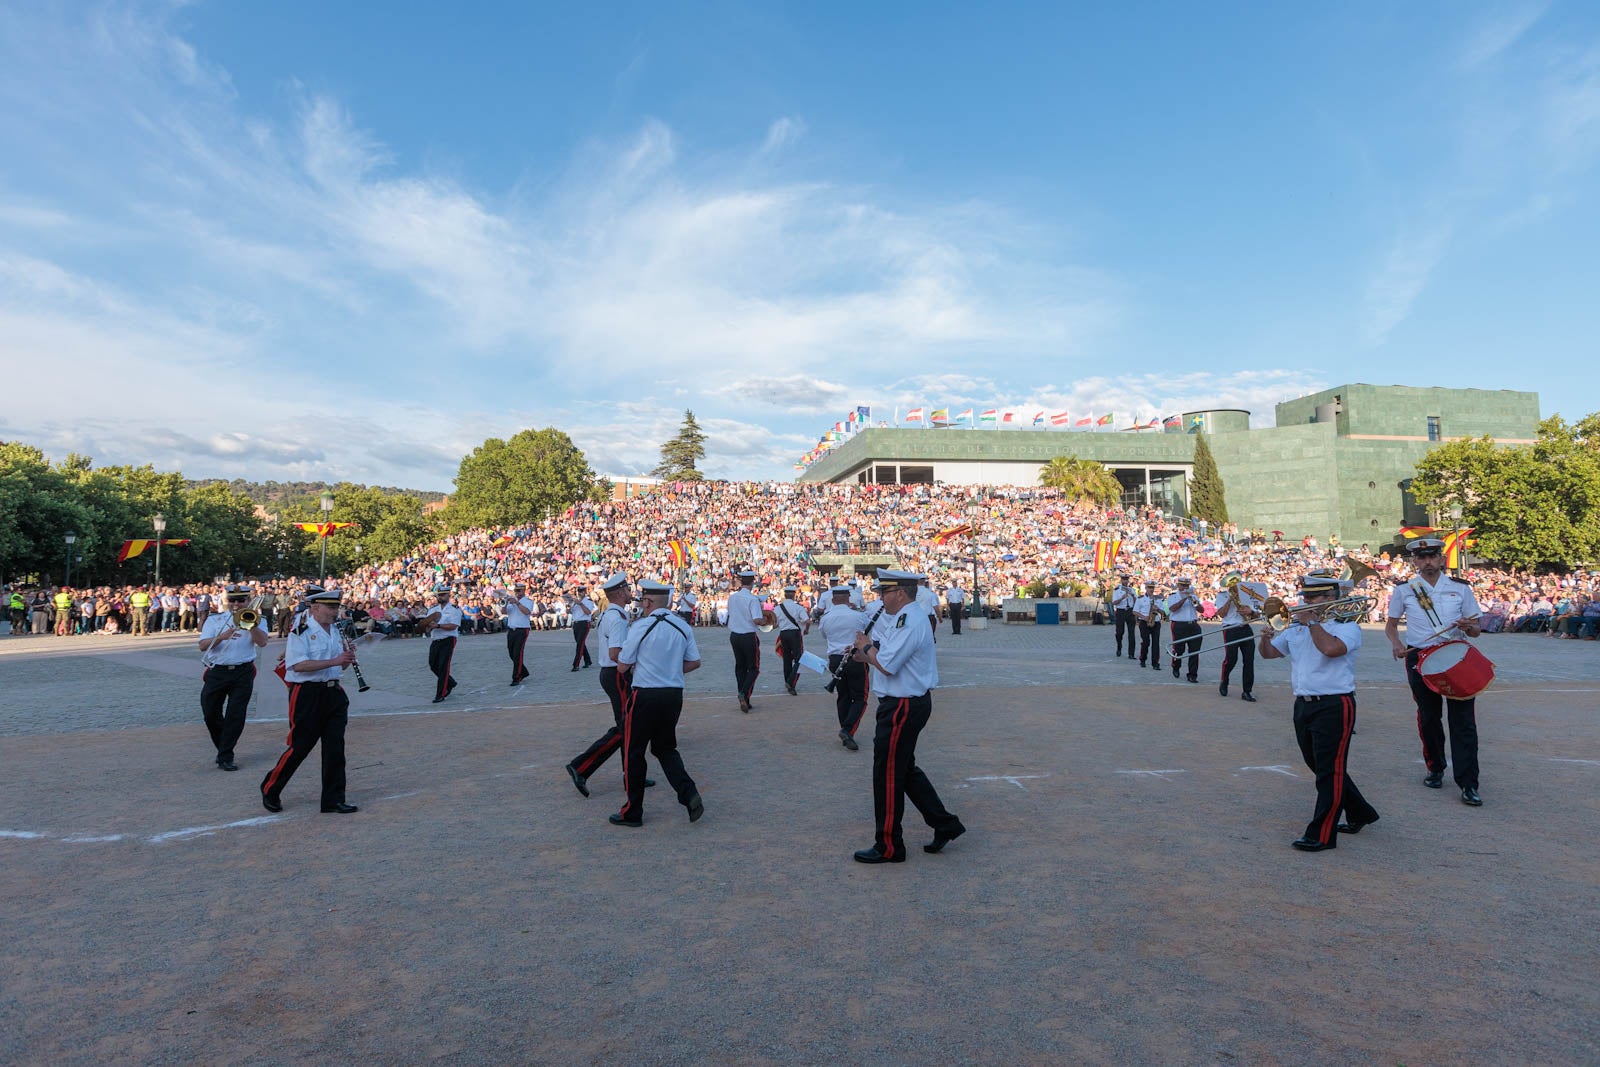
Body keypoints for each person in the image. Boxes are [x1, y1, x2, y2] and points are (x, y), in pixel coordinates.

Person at [850, 569, 965, 864]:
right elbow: (886, 655)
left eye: (884, 593)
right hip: (902, 701)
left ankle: (889, 845)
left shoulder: (910, 620)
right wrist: (867, 653)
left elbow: (887, 664)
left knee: (887, 774)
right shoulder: (904, 618)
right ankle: (945, 824)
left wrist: (865, 646)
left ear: (900, 592)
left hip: (902, 704)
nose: (880, 599)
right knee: (904, 769)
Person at [1258, 572, 1380, 851]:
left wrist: (1312, 622)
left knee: (1329, 772)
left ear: (1331, 599)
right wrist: (1265, 638)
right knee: (1319, 765)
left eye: (1313, 597)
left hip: (1335, 704)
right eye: (1305, 597)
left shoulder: (1346, 627)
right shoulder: (1296, 627)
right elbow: (1270, 654)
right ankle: (1361, 811)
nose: (1305, 602)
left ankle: (1321, 834)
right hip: (1303, 703)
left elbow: (1331, 650)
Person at [1385, 538, 1486, 806]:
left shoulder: (1461, 589)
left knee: (1463, 721)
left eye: (1432, 556)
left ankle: (1468, 783)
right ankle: (1436, 767)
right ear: (1414, 562)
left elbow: (1476, 630)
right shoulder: (1405, 590)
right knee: (1429, 717)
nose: (1428, 561)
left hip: (1455, 658)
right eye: (1422, 557)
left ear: (1442, 559)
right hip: (1420, 656)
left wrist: (1468, 627)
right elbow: (1391, 625)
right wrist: (1396, 644)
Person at [610, 581, 704, 828]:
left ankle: (633, 811)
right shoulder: (682, 627)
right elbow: (694, 662)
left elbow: (622, 666)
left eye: (643, 601)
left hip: (645, 695)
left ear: (648, 602)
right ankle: (689, 793)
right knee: (665, 749)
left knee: (634, 752)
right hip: (673, 694)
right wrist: (670, 670)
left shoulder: (640, 626)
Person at [260, 589, 359, 814]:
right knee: (300, 746)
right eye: (330, 607)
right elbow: (297, 665)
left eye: (336, 607)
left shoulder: (336, 631)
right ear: (315, 608)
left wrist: (346, 657)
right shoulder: (301, 631)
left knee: (335, 748)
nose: (335, 612)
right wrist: (336, 659)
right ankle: (270, 788)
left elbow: (338, 667)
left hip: (333, 693)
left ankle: (333, 800)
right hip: (307, 694)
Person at [565, 573, 654, 796]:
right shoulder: (618, 617)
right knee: (626, 727)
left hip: (612, 674)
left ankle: (633, 775)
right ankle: (581, 766)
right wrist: (634, 664)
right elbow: (616, 653)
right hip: (617, 674)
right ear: (620, 592)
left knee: (628, 726)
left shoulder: (609, 614)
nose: (629, 592)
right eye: (627, 589)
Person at [196, 584, 269, 771]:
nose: (236, 604)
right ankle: (223, 747)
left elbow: (262, 643)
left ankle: (225, 755)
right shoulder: (214, 620)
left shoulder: (258, 620)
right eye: (233, 600)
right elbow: (202, 646)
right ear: (227, 601)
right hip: (217, 671)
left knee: (235, 715)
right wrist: (222, 636)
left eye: (241, 600)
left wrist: (251, 625)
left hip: (242, 672)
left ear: (248, 600)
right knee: (210, 712)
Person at [819, 584, 875, 750]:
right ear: (848, 599)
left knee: (843, 695)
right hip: (856, 657)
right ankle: (848, 729)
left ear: (833, 599)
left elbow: (824, 635)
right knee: (860, 697)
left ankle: (845, 728)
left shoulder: (826, 617)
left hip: (835, 659)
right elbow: (866, 635)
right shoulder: (857, 616)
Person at [726, 569, 773, 712]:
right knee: (753, 668)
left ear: (741, 581)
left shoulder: (732, 597)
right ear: (752, 583)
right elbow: (757, 620)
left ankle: (744, 698)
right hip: (748, 636)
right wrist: (767, 620)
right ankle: (743, 693)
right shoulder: (752, 599)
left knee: (740, 667)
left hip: (734, 635)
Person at [1215, 573, 1262, 703]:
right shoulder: (1221, 596)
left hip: (1245, 628)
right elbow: (1221, 614)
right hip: (1230, 629)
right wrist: (1230, 600)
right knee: (1231, 659)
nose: (1234, 586)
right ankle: (1224, 681)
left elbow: (1257, 616)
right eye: (1232, 584)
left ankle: (1247, 691)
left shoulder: (1246, 595)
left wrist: (1251, 612)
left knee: (1249, 661)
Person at [423, 585, 462, 703]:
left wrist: (438, 625)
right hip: (436, 639)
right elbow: (427, 625)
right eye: (439, 595)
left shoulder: (454, 610)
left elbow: (453, 626)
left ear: (448, 595)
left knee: (443, 666)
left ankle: (441, 693)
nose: (440, 597)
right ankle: (450, 682)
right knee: (433, 665)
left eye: (443, 594)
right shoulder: (433, 610)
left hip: (448, 639)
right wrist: (427, 626)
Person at [772, 585, 809, 696]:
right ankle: (791, 682)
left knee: (787, 659)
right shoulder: (798, 607)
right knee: (800, 659)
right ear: (794, 595)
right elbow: (807, 621)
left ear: (785, 595)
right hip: (795, 634)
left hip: (783, 634)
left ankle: (788, 681)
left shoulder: (778, 608)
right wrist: (806, 630)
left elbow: (774, 624)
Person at [497, 581, 535, 686]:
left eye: (519, 590)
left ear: (524, 590)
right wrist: (503, 602)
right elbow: (504, 612)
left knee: (518, 653)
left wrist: (517, 603)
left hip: (522, 629)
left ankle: (517, 677)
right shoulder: (511, 601)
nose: (517, 592)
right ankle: (524, 671)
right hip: (512, 629)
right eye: (515, 590)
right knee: (511, 653)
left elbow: (527, 612)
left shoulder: (527, 601)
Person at [1167, 577, 1202, 682]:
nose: (1185, 587)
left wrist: (1194, 601)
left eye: (1187, 585)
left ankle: (1192, 674)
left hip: (1193, 625)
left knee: (1194, 651)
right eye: (1183, 585)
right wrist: (1184, 599)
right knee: (1178, 650)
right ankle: (1176, 667)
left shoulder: (1193, 596)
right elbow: (1173, 608)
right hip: (1179, 625)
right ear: (1178, 586)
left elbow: (1202, 610)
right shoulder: (1173, 596)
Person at [1133, 580, 1162, 671]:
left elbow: (1164, 612)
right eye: (1149, 587)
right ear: (1146, 588)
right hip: (1144, 622)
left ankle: (1155, 663)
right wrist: (1143, 617)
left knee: (1156, 643)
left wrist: (1157, 609)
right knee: (1146, 642)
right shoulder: (1140, 599)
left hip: (1155, 622)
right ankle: (1143, 659)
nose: (1151, 589)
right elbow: (1134, 611)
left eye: (1152, 588)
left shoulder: (1158, 599)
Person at [568, 587, 596, 671]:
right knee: (581, 643)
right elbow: (569, 611)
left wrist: (580, 604)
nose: (580, 593)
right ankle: (588, 660)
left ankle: (576, 664)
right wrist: (569, 603)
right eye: (578, 591)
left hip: (584, 623)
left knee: (579, 644)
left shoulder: (588, 602)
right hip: (576, 624)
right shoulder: (575, 602)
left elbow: (588, 612)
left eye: (581, 591)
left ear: (585, 592)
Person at [1111, 574, 1136, 660]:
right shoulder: (1117, 590)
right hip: (1121, 611)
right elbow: (1114, 602)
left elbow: (1136, 602)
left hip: (1130, 611)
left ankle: (1131, 653)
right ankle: (1119, 646)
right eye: (1124, 579)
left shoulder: (1132, 589)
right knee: (1119, 632)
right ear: (1121, 580)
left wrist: (1132, 595)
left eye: (1127, 579)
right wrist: (1122, 598)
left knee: (1131, 633)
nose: (1126, 581)